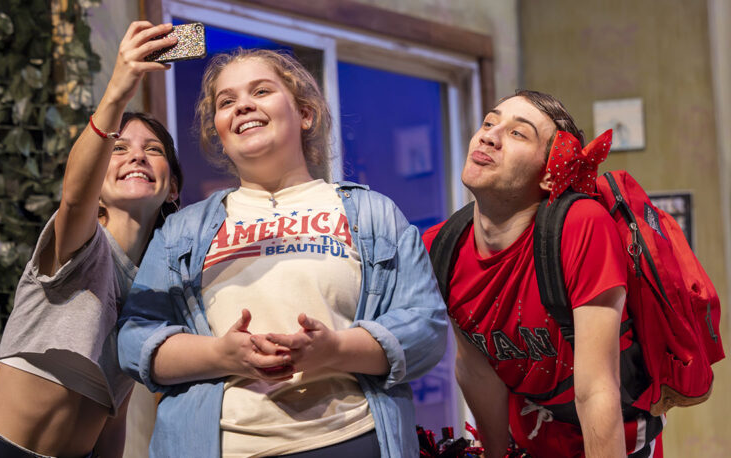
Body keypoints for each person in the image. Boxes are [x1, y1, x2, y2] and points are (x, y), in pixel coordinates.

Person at [117, 48, 448, 458]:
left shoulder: (372, 213)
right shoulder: (182, 231)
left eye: (261, 91)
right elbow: (134, 339)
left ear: (305, 114)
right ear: (218, 129)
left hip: (351, 439)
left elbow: (426, 326)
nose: (243, 106)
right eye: (227, 101)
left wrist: (336, 350)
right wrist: (221, 355)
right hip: (222, 447)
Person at [0, 22, 183, 458]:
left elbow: (113, 408)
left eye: (153, 150)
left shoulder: (154, 288)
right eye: (120, 148)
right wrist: (119, 89)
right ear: (99, 179)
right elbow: (75, 196)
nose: (137, 154)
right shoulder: (82, 245)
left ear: (173, 187)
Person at [422, 90, 661, 458]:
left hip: (615, 443)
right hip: (530, 444)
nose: (488, 135)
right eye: (489, 122)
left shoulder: (580, 226)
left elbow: (596, 387)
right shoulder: (442, 246)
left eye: (518, 133)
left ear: (551, 174)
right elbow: (476, 368)